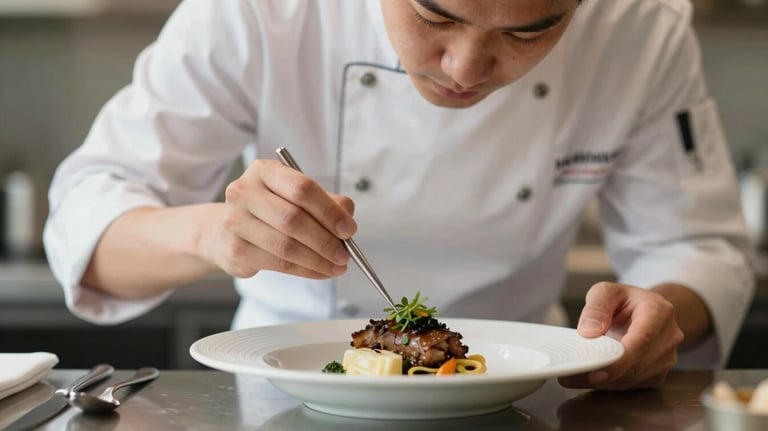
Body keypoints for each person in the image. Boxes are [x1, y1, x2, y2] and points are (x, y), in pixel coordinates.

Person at [44, 0, 754, 391]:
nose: (465, 68)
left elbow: (697, 245)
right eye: (435, 15)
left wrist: (659, 313)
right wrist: (213, 234)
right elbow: (86, 225)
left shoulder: (641, 26)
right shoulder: (259, 12)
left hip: (529, 395)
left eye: (529, 30)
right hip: (286, 395)